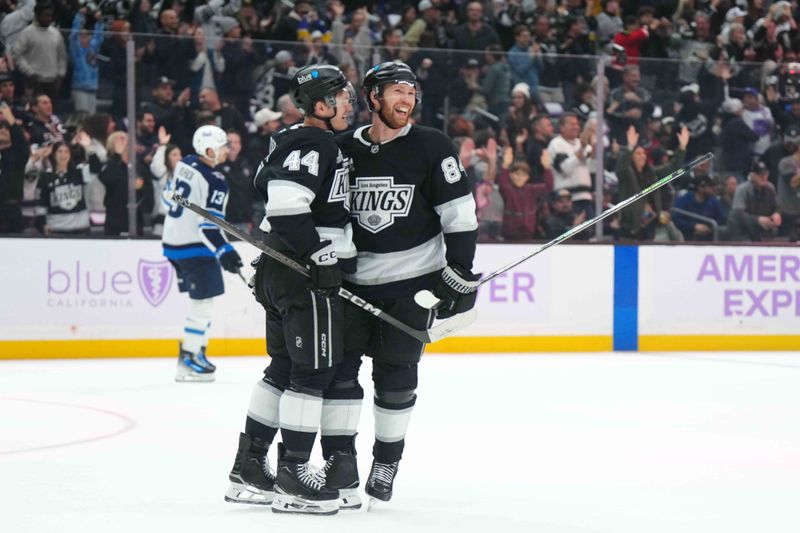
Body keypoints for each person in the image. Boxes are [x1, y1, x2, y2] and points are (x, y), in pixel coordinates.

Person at [330, 61, 479, 505]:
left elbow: (460, 215)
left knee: (396, 377)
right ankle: (340, 461)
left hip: (411, 284)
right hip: (350, 283)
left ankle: (386, 462)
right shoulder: (341, 148)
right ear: (373, 98)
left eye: (412, 93)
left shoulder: (432, 145)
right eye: (397, 91)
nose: (407, 100)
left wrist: (460, 272)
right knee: (339, 376)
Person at [224, 64, 356, 515]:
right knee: (312, 373)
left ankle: (250, 466)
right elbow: (284, 205)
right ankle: (294, 477)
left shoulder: (301, 139)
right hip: (301, 272)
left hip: (280, 270)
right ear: (320, 105)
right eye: (340, 97)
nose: (349, 103)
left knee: (282, 368)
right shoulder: (313, 140)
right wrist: (319, 256)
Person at [161, 125, 242, 382]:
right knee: (202, 304)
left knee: (203, 302)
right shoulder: (216, 181)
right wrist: (224, 250)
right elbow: (207, 226)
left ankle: (198, 353)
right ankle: (188, 358)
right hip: (195, 248)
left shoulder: (185, 163)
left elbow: (167, 198)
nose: (226, 150)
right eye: (221, 146)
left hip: (173, 245)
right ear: (209, 150)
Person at [33, 141, 93, 235]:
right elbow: (40, 204)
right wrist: (43, 224)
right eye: (59, 151)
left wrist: (89, 148)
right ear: (53, 154)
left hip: (80, 229)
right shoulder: (46, 177)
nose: (63, 155)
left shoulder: (79, 172)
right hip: (56, 229)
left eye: (66, 152)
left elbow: (96, 168)